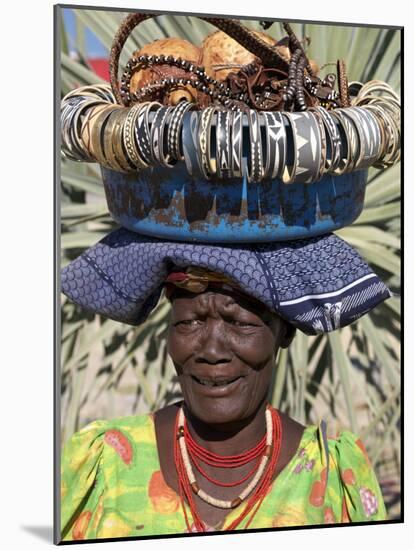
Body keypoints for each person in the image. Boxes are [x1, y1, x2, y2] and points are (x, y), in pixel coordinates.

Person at [60, 230, 389, 541]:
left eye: (240, 323)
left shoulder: (333, 477)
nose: (212, 351)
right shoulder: (105, 463)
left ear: (284, 332)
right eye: (189, 322)